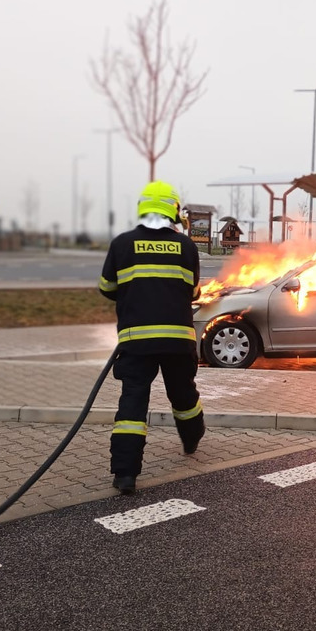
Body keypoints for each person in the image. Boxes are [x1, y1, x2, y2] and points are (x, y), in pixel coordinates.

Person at [98, 180, 205, 494]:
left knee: (132, 402)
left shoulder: (122, 244)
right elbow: (195, 291)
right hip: (178, 340)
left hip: (137, 341)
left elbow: (106, 288)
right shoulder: (186, 246)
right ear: (173, 210)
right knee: (183, 395)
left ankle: (125, 475)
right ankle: (192, 438)